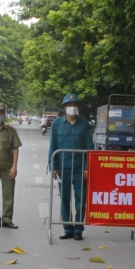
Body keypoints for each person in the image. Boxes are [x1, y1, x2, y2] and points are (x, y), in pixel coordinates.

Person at [48, 94, 93, 240]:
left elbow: (89, 147)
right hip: (63, 167)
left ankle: (78, 229)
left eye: (74, 104)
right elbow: (53, 146)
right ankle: (67, 228)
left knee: (81, 199)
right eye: (69, 105)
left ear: (78, 107)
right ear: (64, 108)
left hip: (80, 169)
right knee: (65, 199)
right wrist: (54, 166)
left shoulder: (84, 124)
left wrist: (88, 166)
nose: (71, 107)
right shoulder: (56, 124)